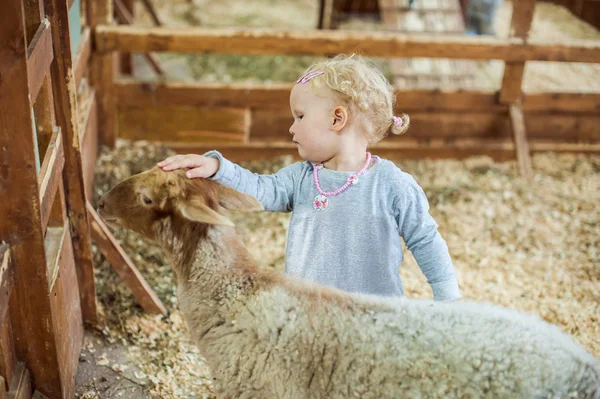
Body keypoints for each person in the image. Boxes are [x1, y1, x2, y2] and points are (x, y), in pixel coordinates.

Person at [157, 54, 461, 301]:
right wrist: (217, 167)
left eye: (300, 116)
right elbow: (261, 189)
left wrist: (448, 301)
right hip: (308, 319)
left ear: (337, 119)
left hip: (376, 322)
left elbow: (425, 240)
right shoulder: (302, 179)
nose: (291, 128)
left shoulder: (393, 185)